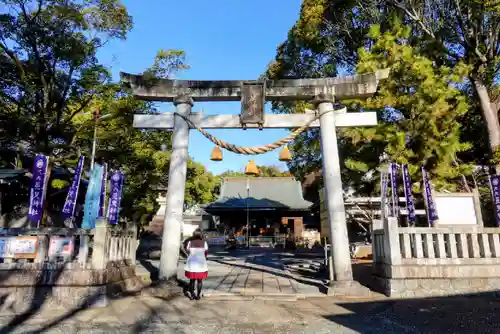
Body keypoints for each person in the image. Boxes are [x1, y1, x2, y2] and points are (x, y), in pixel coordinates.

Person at [184, 229, 208, 300]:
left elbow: (187, 250)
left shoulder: (190, 243)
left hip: (192, 264)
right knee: (200, 281)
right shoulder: (204, 243)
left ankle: (191, 295)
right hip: (201, 264)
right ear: (201, 235)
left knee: (192, 281)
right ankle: (198, 296)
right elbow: (206, 250)